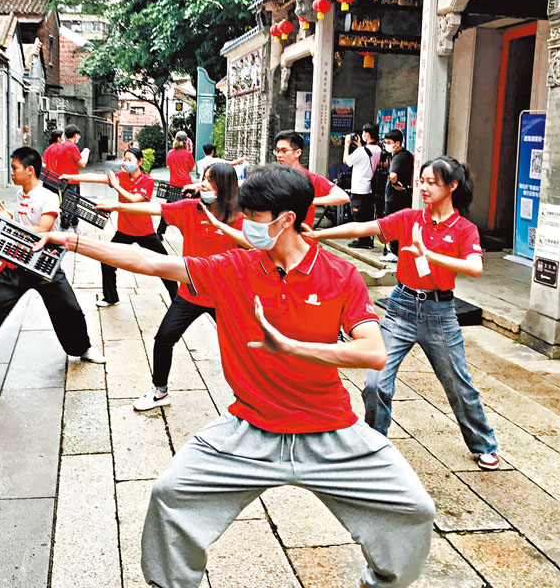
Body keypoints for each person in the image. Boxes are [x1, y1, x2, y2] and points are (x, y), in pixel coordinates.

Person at [33, 164, 434, 588]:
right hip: (249, 429)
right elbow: (150, 262)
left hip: (330, 428)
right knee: (170, 496)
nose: (244, 224)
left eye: (255, 217)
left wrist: (292, 347)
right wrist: (74, 242)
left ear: (286, 220)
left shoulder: (340, 275)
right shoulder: (235, 268)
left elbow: (373, 352)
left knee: (414, 510)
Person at [306, 155, 500, 471]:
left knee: (458, 385)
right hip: (400, 308)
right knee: (375, 384)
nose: (423, 187)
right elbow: (364, 226)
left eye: (432, 182)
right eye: (422, 181)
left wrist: (430, 255)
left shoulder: (463, 228)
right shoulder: (410, 218)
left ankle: (484, 444)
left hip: (440, 314)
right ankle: (373, 445)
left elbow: (475, 267)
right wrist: (318, 235)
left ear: (451, 186)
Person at [98, 163, 248, 411]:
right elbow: (154, 207)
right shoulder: (191, 208)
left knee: (240, 348)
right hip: (190, 293)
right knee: (164, 338)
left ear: (223, 186)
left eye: (210, 181)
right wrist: (116, 206)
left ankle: (248, 396)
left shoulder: (240, 219)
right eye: (203, 178)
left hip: (224, 296)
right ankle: (160, 391)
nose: (202, 183)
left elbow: (252, 249)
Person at [0, 147, 101, 369]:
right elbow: (18, 224)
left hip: (45, 264)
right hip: (18, 261)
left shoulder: (49, 197)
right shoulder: (20, 195)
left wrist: (8, 220)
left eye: (15, 168)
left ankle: (83, 349)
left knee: (68, 308)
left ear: (30, 170)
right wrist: (1, 216)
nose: (12, 173)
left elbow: (42, 230)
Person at [62, 147, 178, 306]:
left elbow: (134, 200)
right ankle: (111, 297)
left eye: (130, 160)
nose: (125, 162)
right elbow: (95, 177)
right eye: (124, 159)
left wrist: (117, 187)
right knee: (107, 260)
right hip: (124, 231)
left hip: (145, 232)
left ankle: (176, 300)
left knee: (164, 265)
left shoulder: (147, 181)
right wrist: (68, 176)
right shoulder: (120, 177)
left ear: (140, 162)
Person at [273, 131, 349, 230]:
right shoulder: (271, 177)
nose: (279, 155)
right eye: (277, 151)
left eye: (284, 151)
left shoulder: (311, 178)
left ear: (298, 152)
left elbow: (342, 197)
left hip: (303, 239)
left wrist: (311, 201)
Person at [342, 123, 382, 249]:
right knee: (367, 215)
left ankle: (362, 240)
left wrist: (347, 144)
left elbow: (346, 161)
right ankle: (367, 239)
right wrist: (360, 146)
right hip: (369, 188)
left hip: (359, 187)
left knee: (358, 215)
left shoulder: (361, 151)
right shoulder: (378, 149)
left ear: (367, 135)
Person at [381, 129, 414, 263]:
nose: (386, 145)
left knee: (392, 224)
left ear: (397, 143)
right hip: (402, 196)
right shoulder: (405, 155)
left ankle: (394, 251)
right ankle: (398, 250)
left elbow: (393, 174)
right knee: (401, 225)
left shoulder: (399, 156)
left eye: (389, 143)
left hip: (394, 197)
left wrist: (394, 182)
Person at [158, 132, 196, 237]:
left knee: (167, 209)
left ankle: (160, 232)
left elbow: (170, 166)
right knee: (189, 210)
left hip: (173, 185)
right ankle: (189, 232)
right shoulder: (187, 154)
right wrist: (190, 152)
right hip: (186, 186)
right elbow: (192, 169)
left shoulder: (170, 153)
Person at [56, 124, 91, 232]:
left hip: (62, 180)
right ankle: (65, 230)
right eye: (78, 136)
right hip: (72, 181)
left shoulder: (62, 145)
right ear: (76, 135)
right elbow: (82, 164)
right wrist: (86, 153)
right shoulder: (72, 147)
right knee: (70, 205)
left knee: (71, 205)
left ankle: (75, 228)